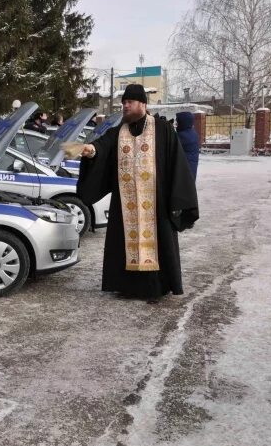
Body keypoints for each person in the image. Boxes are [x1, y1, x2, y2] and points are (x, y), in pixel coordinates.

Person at [74, 84, 199, 303]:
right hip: (126, 206)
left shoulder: (163, 130)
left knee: (160, 244)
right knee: (124, 245)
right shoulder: (118, 132)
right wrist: (91, 151)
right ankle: (126, 287)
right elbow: (102, 147)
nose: (125, 106)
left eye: (129, 102)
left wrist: (178, 200)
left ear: (142, 103)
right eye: (123, 103)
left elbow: (177, 164)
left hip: (156, 204)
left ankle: (157, 287)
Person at [175, 111, 199, 179]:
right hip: (189, 167)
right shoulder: (192, 132)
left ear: (183, 123)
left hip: (186, 168)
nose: (176, 124)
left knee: (185, 186)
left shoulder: (183, 135)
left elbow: (170, 143)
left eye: (178, 122)